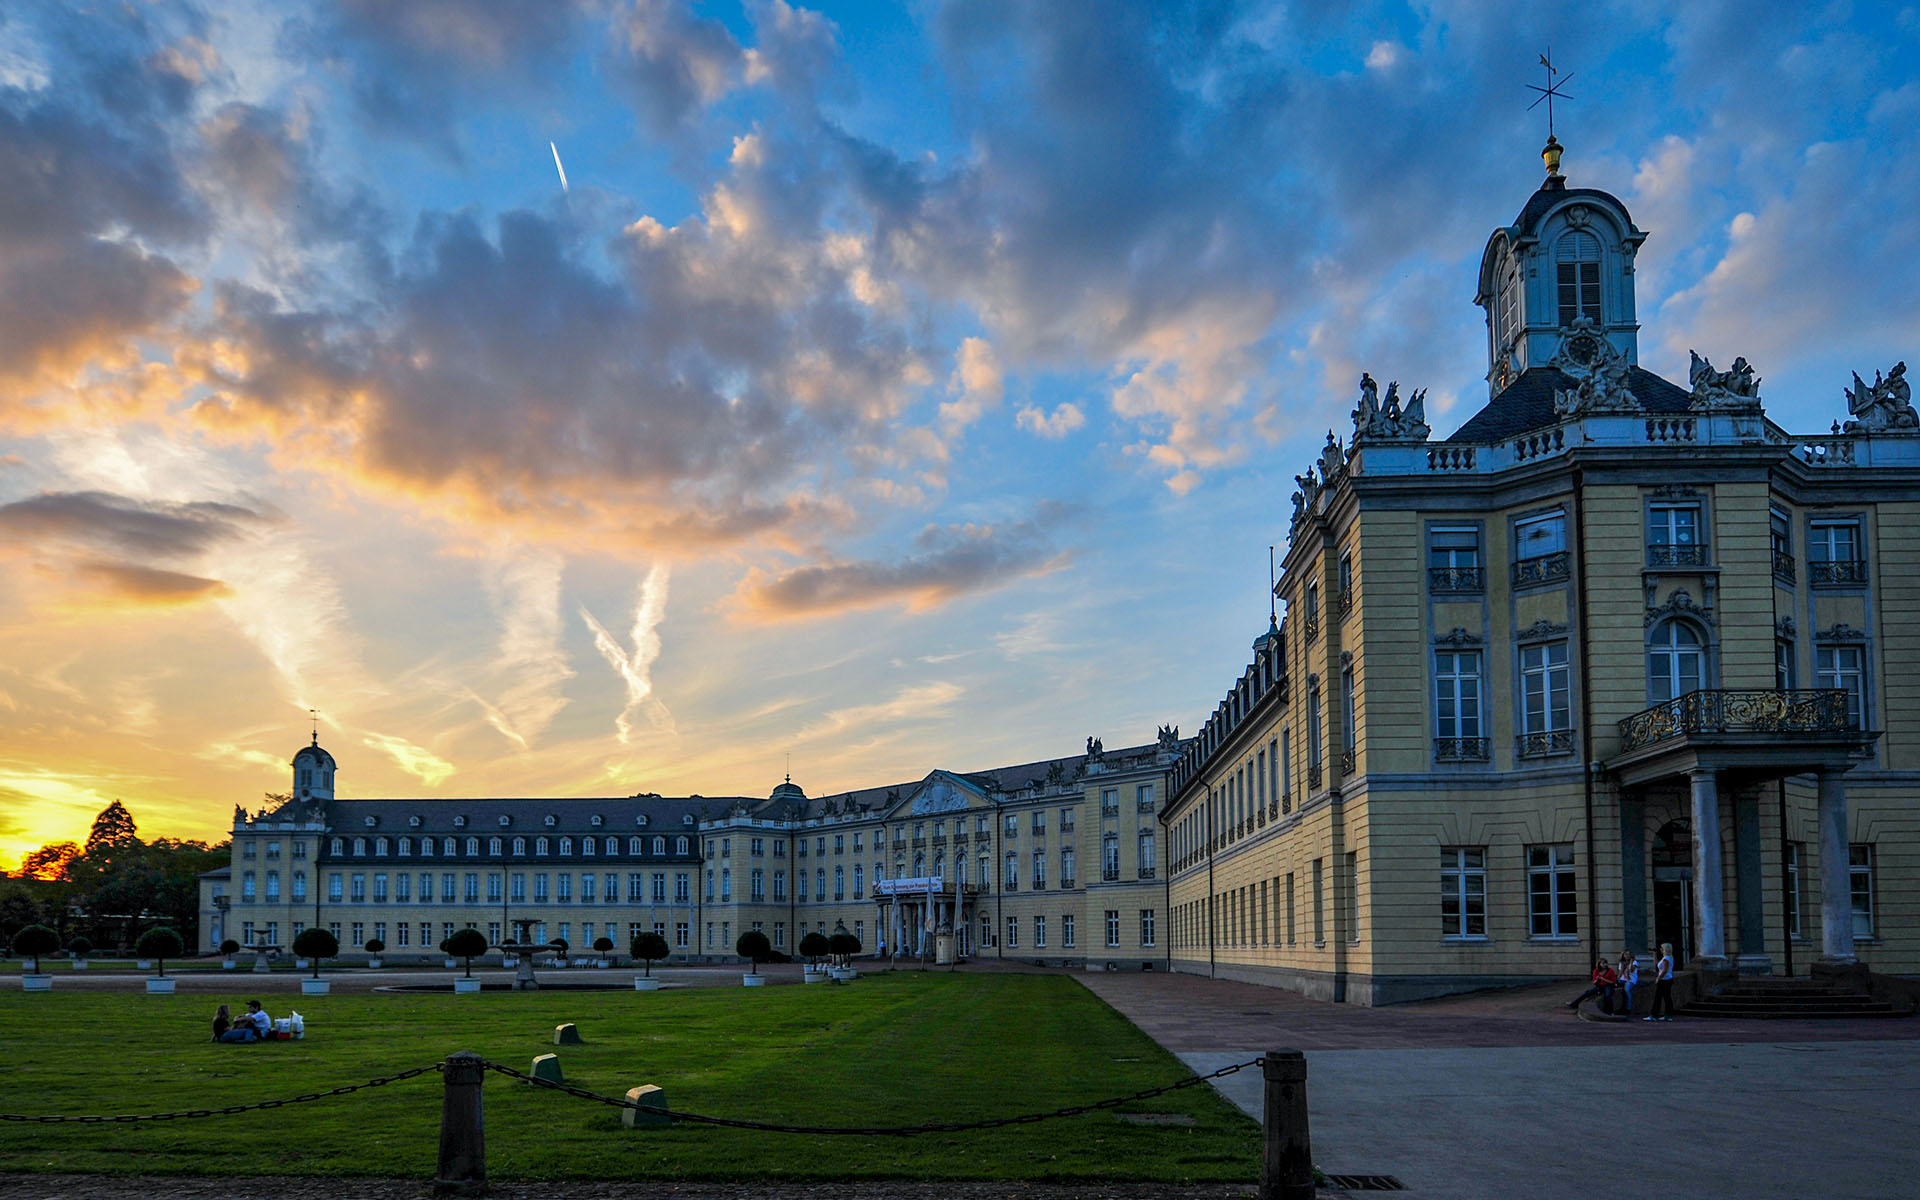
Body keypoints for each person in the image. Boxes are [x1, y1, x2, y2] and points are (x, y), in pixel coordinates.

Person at [1646, 943, 1676, 1021]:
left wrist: (1658, 978)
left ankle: (1654, 1015)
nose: (1660, 950)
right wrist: (1654, 955)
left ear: (1665, 949)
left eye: (1662, 948)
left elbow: (1664, 970)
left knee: (1658, 998)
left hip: (1664, 980)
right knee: (1667, 998)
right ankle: (1668, 1015)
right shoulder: (1668, 957)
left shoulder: (1666, 958)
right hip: (1668, 979)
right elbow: (1658, 964)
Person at [1617, 950, 1640, 1016]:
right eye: (1625, 954)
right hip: (1623, 979)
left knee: (1626, 990)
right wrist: (1617, 979)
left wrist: (1631, 962)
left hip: (1631, 980)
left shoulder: (1634, 962)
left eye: (1628, 954)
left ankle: (1628, 1008)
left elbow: (1631, 970)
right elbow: (1620, 972)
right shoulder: (1621, 963)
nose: (1627, 956)